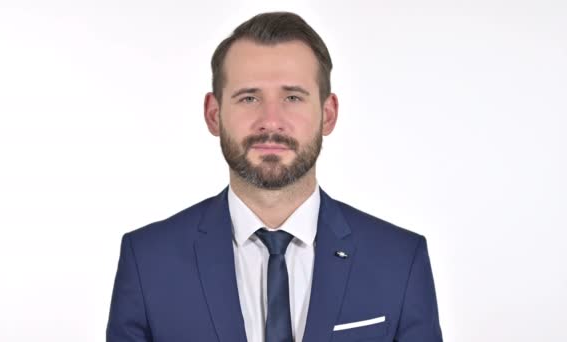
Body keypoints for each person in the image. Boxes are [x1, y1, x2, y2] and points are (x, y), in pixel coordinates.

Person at [106, 11, 443, 342]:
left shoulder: (399, 260)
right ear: (214, 114)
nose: (270, 121)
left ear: (328, 114)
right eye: (249, 97)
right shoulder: (147, 261)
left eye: (292, 97)